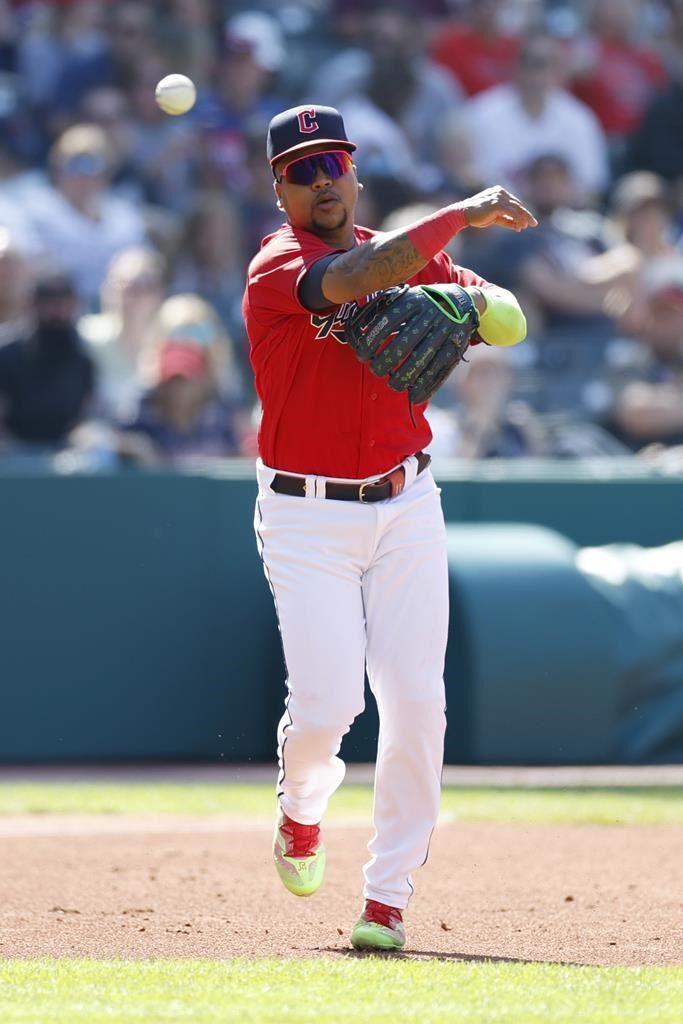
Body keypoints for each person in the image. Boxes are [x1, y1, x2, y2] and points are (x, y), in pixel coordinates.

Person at [243, 104, 535, 952]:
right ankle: (300, 806)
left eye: (333, 162)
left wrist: (464, 300)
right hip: (305, 515)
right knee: (329, 704)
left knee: (416, 702)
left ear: (354, 171)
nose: (322, 179)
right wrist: (461, 215)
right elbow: (355, 277)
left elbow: (509, 319)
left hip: (406, 503)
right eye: (303, 170)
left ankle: (386, 898)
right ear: (280, 190)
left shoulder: (415, 259)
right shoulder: (277, 265)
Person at [0, 270, 95, 451]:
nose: (56, 308)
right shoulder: (5, 355)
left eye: (63, 299)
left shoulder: (83, 360)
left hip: (67, 459)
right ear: (31, 304)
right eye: (47, 299)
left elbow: (83, 418)